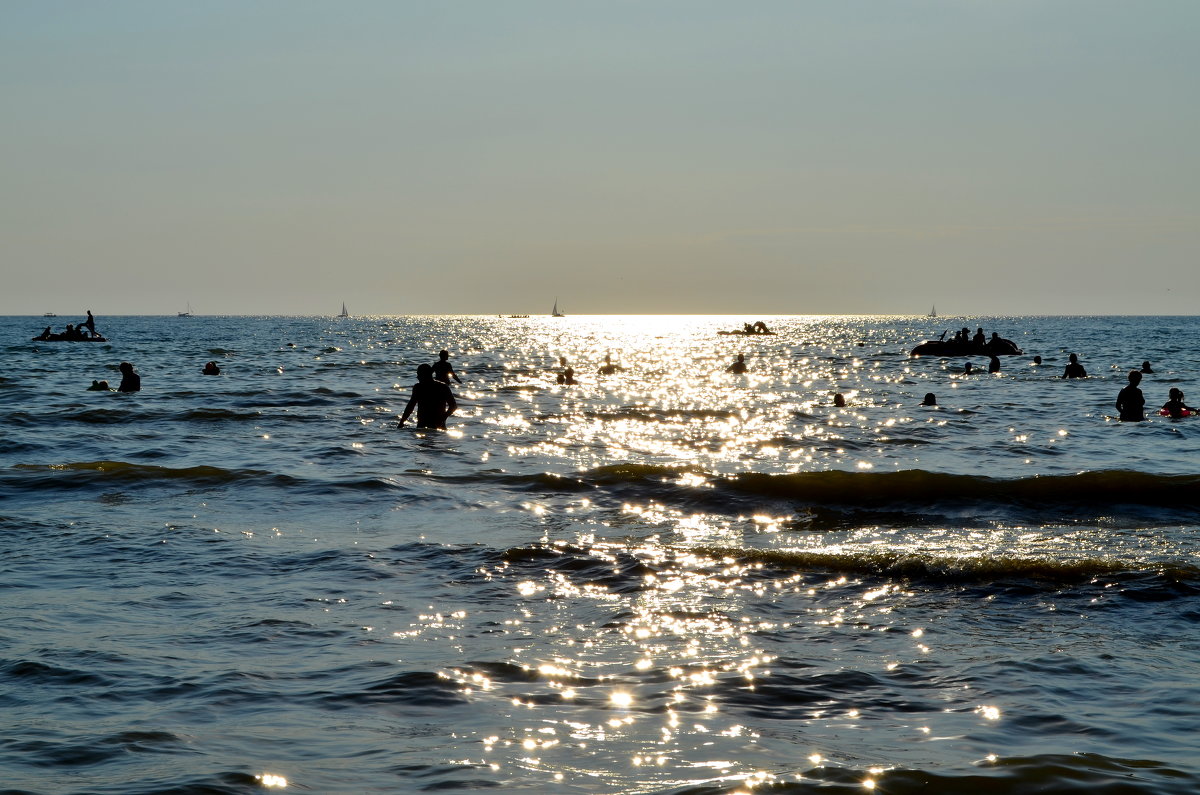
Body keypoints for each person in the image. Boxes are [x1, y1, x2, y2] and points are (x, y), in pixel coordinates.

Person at [398, 363, 457, 429]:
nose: (417, 377)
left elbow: (453, 406)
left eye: (419, 374)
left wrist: (443, 418)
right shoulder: (419, 387)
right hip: (427, 424)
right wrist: (402, 422)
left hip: (433, 424)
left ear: (426, 375)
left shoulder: (441, 387)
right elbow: (410, 406)